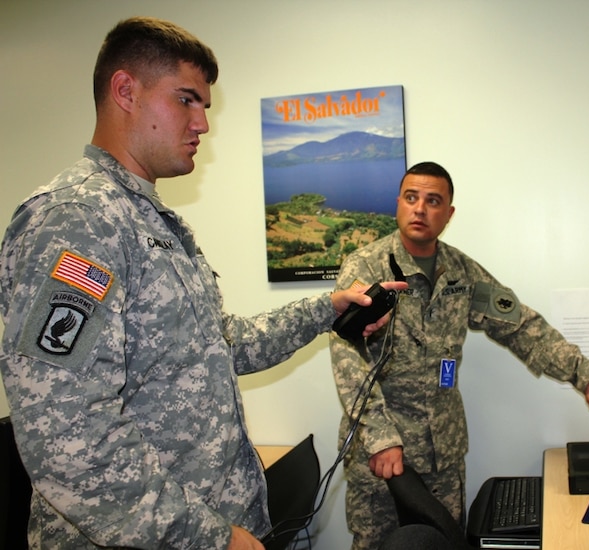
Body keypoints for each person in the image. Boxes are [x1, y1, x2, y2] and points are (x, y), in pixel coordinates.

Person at [0, 16, 405, 550]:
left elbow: (218, 342)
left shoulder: (152, 221)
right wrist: (210, 537)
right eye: (186, 100)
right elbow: (68, 434)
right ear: (126, 91)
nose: (202, 124)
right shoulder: (79, 220)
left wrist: (327, 309)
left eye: (205, 107)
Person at [330, 161, 589, 549]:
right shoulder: (366, 268)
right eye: (412, 198)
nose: (420, 209)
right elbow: (348, 356)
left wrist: (584, 371)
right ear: (397, 203)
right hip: (382, 459)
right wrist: (381, 438)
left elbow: (521, 325)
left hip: (443, 455)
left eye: (433, 201)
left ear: (448, 215)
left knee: (446, 544)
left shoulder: (462, 272)